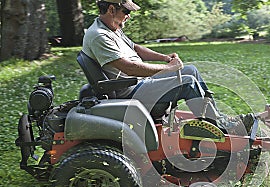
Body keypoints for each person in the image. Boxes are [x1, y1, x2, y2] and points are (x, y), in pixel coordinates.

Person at [82, 0, 254, 134]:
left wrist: (164, 58)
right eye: (126, 11)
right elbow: (130, 68)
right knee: (187, 82)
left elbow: (135, 48)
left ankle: (216, 119)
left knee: (190, 70)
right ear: (111, 9)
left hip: (139, 82)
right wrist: (168, 69)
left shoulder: (112, 29)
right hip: (130, 91)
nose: (129, 15)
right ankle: (220, 127)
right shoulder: (99, 36)